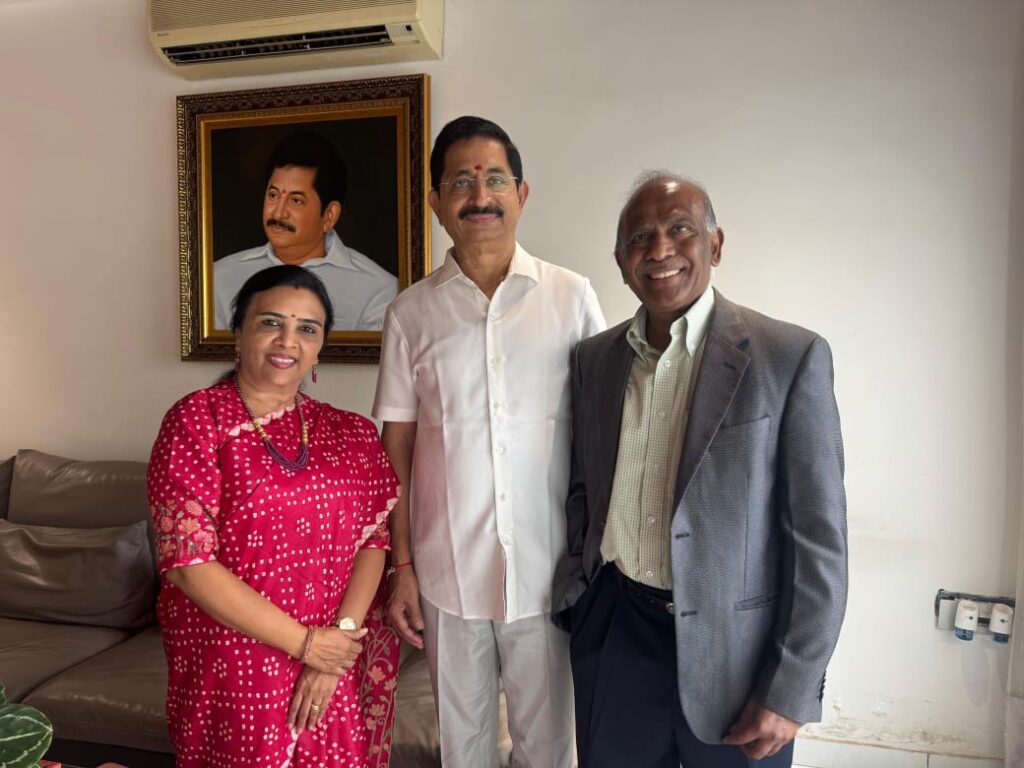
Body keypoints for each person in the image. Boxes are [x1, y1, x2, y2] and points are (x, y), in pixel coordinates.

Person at [552, 173, 848, 768]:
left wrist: (791, 687)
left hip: (738, 657)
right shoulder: (594, 360)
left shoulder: (788, 357)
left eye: (680, 229)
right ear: (621, 261)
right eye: (640, 238)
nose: (660, 249)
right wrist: (583, 606)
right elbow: (583, 488)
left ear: (714, 245)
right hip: (616, 635)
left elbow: (820, 541)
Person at [372, 115, 606, 767]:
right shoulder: (410, 313)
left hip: (549, 569)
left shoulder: (571, 297)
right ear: (436, 202)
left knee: (550, 748)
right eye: (461, 182)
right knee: (463, 747)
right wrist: (402, 568)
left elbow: (607, 430)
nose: (480, 196)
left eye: (495, 179)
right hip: (447, 573)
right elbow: (396, 449)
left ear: (521, 194)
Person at [149, 265, 401, 768]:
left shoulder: (350, 434)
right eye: (271, 323)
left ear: (320, 347)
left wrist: (336, 648)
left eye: (307, 328)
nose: (288, 340)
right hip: (233, 657)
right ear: (238, 333)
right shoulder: (198, 421)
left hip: (333, 656)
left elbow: (374, 540)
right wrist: (307, 645)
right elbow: (188, 564)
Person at [214, 132, 397, 332]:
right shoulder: (219, 278)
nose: (278, 212)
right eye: (273, 195)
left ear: (329, 215)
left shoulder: (378, 291)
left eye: (296, 200)